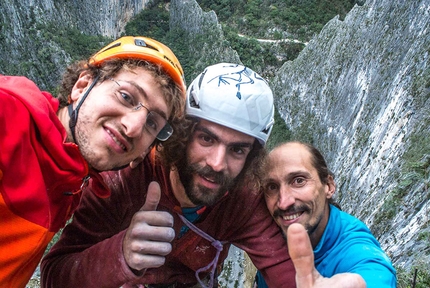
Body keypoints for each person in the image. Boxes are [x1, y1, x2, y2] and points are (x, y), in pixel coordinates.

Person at [40, 63, 298, 288]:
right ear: (184, 135)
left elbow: (285, 270)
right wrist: (121, 253)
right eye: (206, 139)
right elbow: (55, 277)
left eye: (237, 149)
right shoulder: (125, 182)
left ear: (250, 158)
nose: (218, 164)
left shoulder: (243, 201)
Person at [0, 35, 186, 288]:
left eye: (152, 123)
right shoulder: (9, 118)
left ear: (144, 153)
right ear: (82, 85)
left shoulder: (72, 176)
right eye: (126, 97)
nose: (132, 127)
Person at [254, 141, 397, 288]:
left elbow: (375, 274)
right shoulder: (269, 231)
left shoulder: (352, 246)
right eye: (272, 187)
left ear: (328, 186)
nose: (283, 202)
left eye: (299, 181)